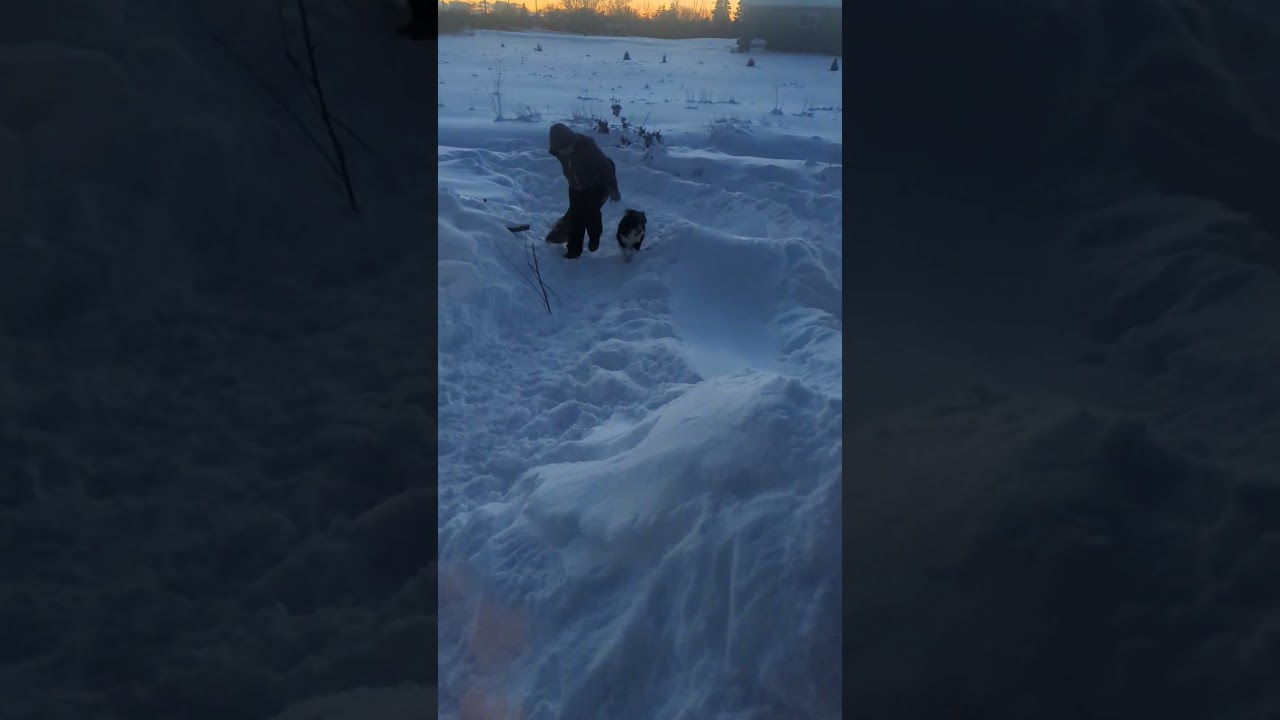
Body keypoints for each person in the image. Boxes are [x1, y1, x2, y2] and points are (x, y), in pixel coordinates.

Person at [544, 123, 622, 259]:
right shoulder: (559, 151)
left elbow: (606, 167)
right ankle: (573, 250)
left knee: (591, 214)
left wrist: (613, 188)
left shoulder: (588, 149)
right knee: (575, 218)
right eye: (561, 150)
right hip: (575, 187)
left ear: (573, 142)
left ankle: (594, 238)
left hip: (595, 186)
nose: (564, 152)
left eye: (567, 148)